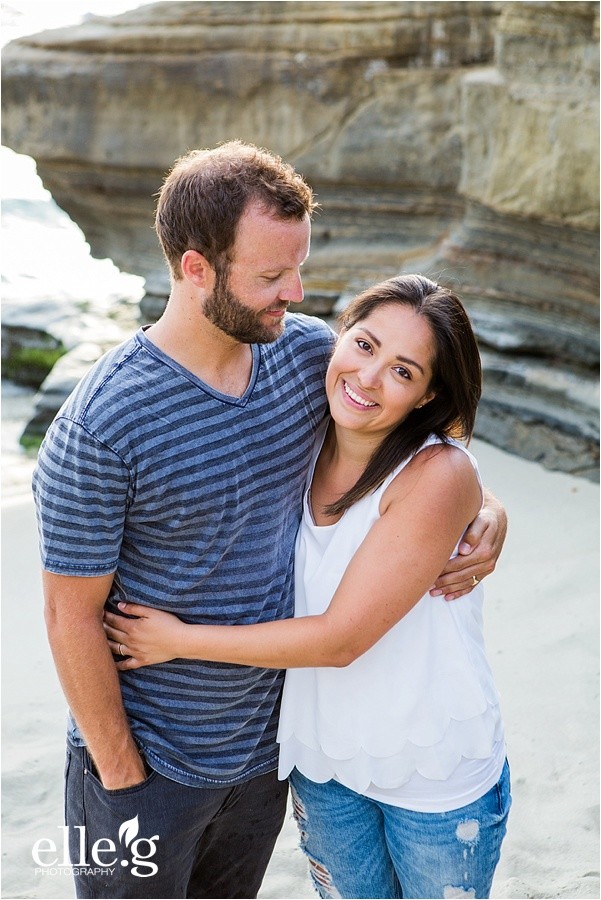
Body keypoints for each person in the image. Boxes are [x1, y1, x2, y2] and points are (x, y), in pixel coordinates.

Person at [33, 139, 506, 900]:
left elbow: (411, 446)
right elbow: (67, 618)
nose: (294, 292)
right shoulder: (101, 426)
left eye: (298, 268)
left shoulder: (304, 359)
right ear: (196, 269)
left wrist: (484, 510)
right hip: (148, 769)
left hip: (267, 763)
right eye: (269, 276)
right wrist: (122, 775)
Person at [104, 274, 511, 900]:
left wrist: (178, 640)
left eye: (404, 372)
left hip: (432, 768)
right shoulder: (300, 431)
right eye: (367, 345)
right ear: (339, 335)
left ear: (429, 395)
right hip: (323, 760)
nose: (370, 377)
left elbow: (341, 638)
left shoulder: (439, 473)